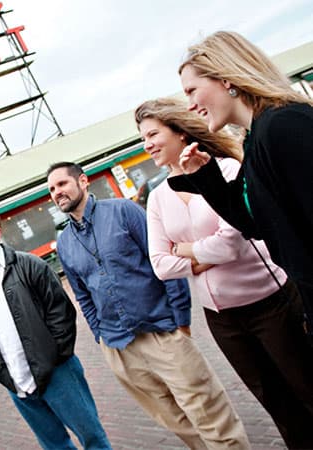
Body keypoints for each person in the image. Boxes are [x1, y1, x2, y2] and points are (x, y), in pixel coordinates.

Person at [136, 97, 313, 449]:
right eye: (143, 138)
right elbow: (160, 264)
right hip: (223, 320)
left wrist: (185, 250)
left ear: (179, 133)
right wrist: (203, 251)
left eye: (153, 134)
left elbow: (231, 244)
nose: (148, 145)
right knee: (276, 404)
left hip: (271, 303)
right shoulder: (157, 199)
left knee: (307, 388)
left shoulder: (226, 169)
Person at [47, 162, 249, 450]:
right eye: (52, 189)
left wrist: (180, 319)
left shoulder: (123, 211)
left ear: (83, 181)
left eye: (62, 184)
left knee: (208, 411)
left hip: (163, 330)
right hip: (119, 346)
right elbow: (82, 295)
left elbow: (162, 261)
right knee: (172, 419)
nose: (57, 193)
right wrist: (100, 335)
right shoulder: (65, 243)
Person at [172, 30, 313, 334]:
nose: (191, 105)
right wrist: (204, 176)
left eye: (191, 90)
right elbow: (253, 224)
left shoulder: (284, 125)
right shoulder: (255, 139)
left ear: (225, 79)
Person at [0, 206, 112, 450]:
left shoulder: (28, 265)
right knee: (55, 446)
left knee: (92, 438)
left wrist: (55, 358)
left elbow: (61, 312)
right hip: (17, 383)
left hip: (58, 372)